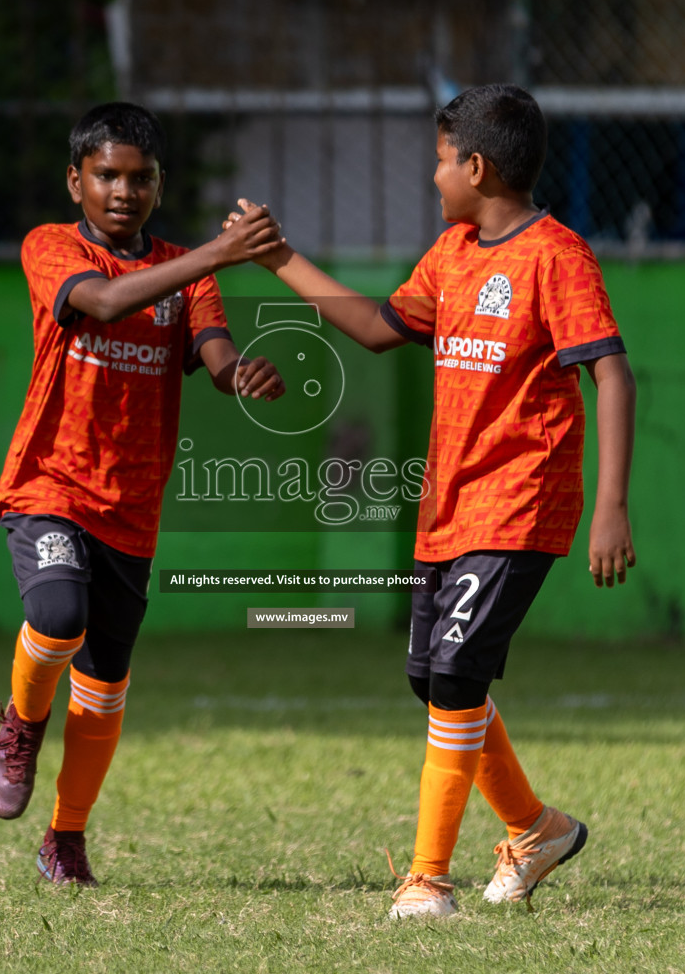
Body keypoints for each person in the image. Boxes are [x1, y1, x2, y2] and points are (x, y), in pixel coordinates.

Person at [230, 84, 637, 917]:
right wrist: (278, 258)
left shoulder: (556, 256)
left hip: (520, 504)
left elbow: (611, 371)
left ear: (477, 166)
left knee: (454, 673)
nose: (434, 174)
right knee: (435, 677)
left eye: (442, 160)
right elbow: (380, 328)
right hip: (447, 510)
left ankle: (427, 879)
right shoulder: (450, 253)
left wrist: (610, 506)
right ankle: (536, 828)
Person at [0, 102, 286, 887]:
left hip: (133, 506)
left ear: (159, 185)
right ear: (75, 180)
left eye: (140, 178)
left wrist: (242, 375)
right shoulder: (50, 247)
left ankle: (66, 837)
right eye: (107, 176)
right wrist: (220, 250)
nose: (123, 191)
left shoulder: (190, 277)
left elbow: (215, 355)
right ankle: (20, 725)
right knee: (56, 616)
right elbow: (108, 301)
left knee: (106, 682)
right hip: (49, 482)